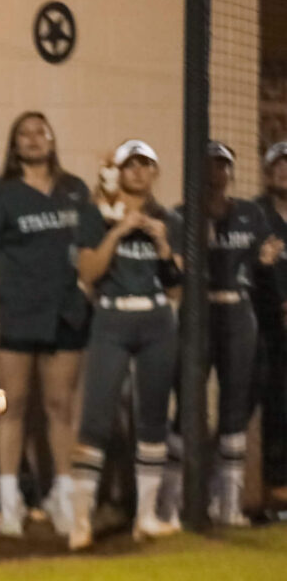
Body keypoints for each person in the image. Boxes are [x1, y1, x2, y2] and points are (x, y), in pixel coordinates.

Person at [0, 111, 101, 538]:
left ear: (52, 139)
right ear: (14, 144)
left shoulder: (74, 191)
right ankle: (10, 499)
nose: (32, 140)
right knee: (12, 407)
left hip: (63, 313)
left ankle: (63, 496)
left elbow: (89, 249)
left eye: (40, 132)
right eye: (23, 133)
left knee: (60, 407)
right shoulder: (0, 196)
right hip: (15, 313)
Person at [161, 141, 283, 525]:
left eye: (223, 166)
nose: (217, 173)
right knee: (188, 406)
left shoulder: (250, 214)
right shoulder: (181, 216)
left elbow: (263, 270)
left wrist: (264, 264)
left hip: (238, 311)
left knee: (234, 408)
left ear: (231, 172)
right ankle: (170, 502)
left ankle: (226, 504)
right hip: (198, 313)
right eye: (210, 165)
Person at [68, 140, 182, 549]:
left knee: (153, 417)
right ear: (117, 171)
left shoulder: (167, 218)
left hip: (155, 319)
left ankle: (147, 517)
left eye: (145, 165)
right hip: (112, 317)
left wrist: (164, 244)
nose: (138, 172)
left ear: (154, 172)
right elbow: (88, 272)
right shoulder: (94, 215)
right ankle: (80, 521)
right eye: (130, 165)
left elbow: (175, 287)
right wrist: (118, 230)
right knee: (96, 418)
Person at [253, 141, 287, 509]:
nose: (284, 171)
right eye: (277, 166)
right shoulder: (256, 215)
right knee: (273, 400)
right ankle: (272, 483)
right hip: (266, 327)